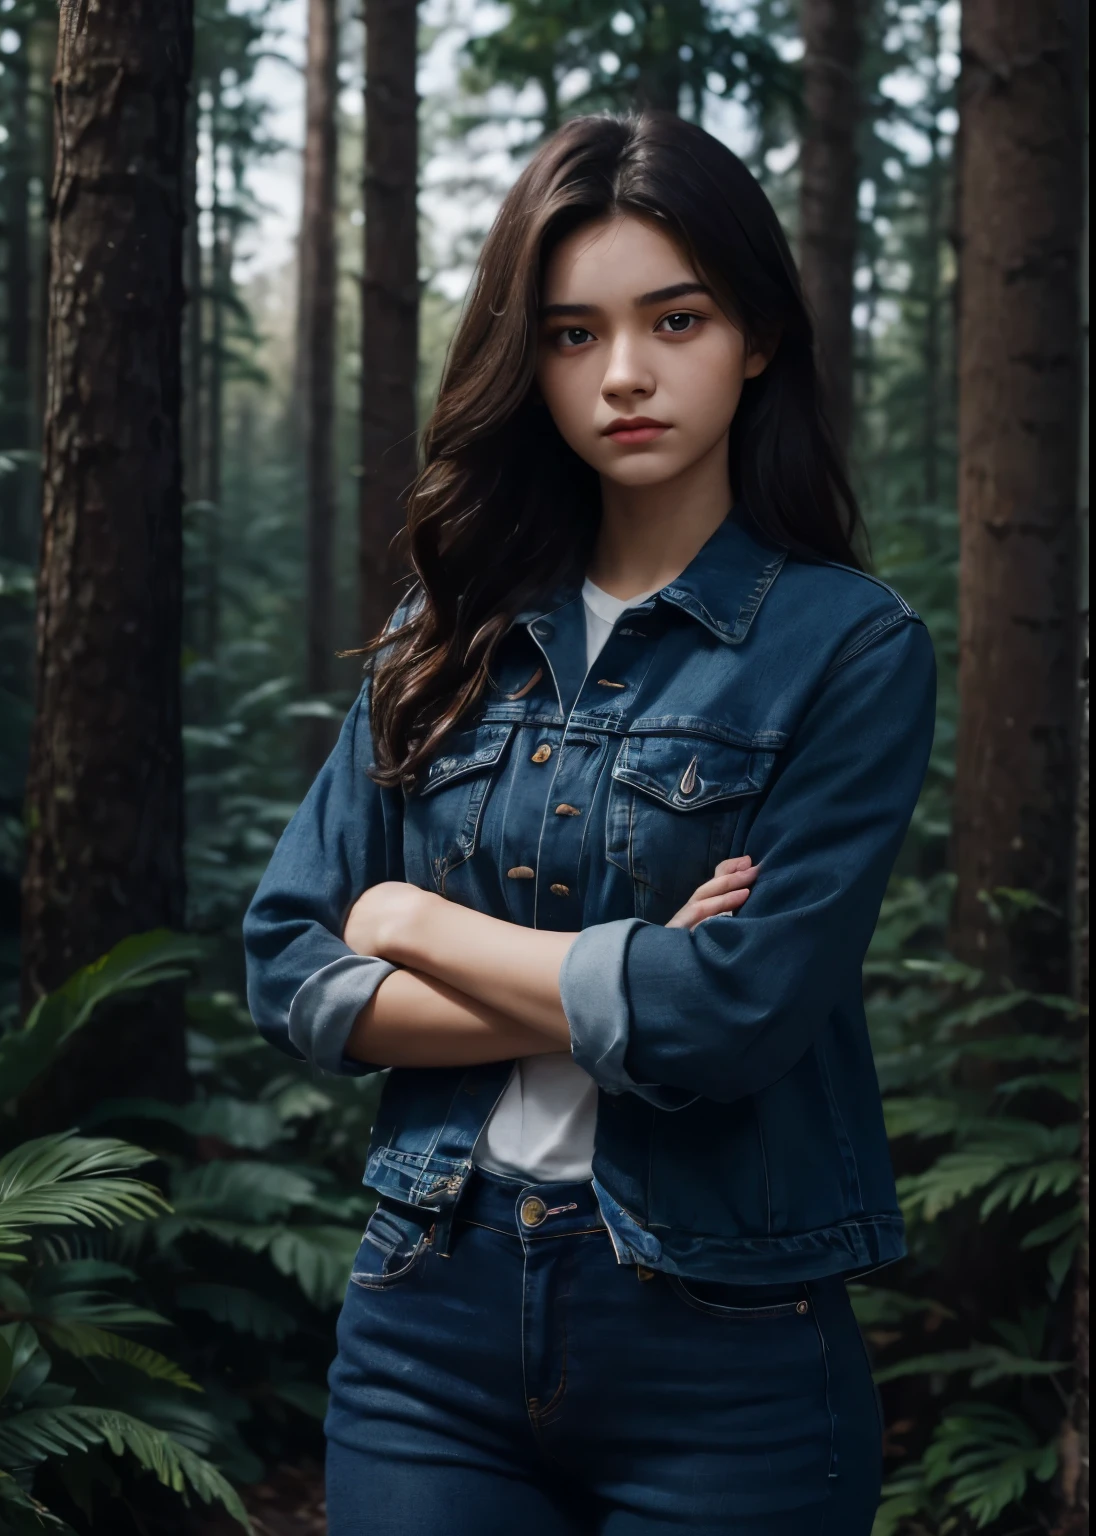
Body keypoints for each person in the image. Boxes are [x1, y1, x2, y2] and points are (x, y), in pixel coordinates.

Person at [244, 111, 936, 1536]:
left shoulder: (849, 651)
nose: (623, 373)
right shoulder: (441, 635)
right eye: (570, 334)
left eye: (673, 318)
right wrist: (618, 971)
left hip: (727, 1341)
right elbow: (290, 961)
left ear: (754, 337)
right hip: (426, 1319)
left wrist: (417, 925)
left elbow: (735, 1015)